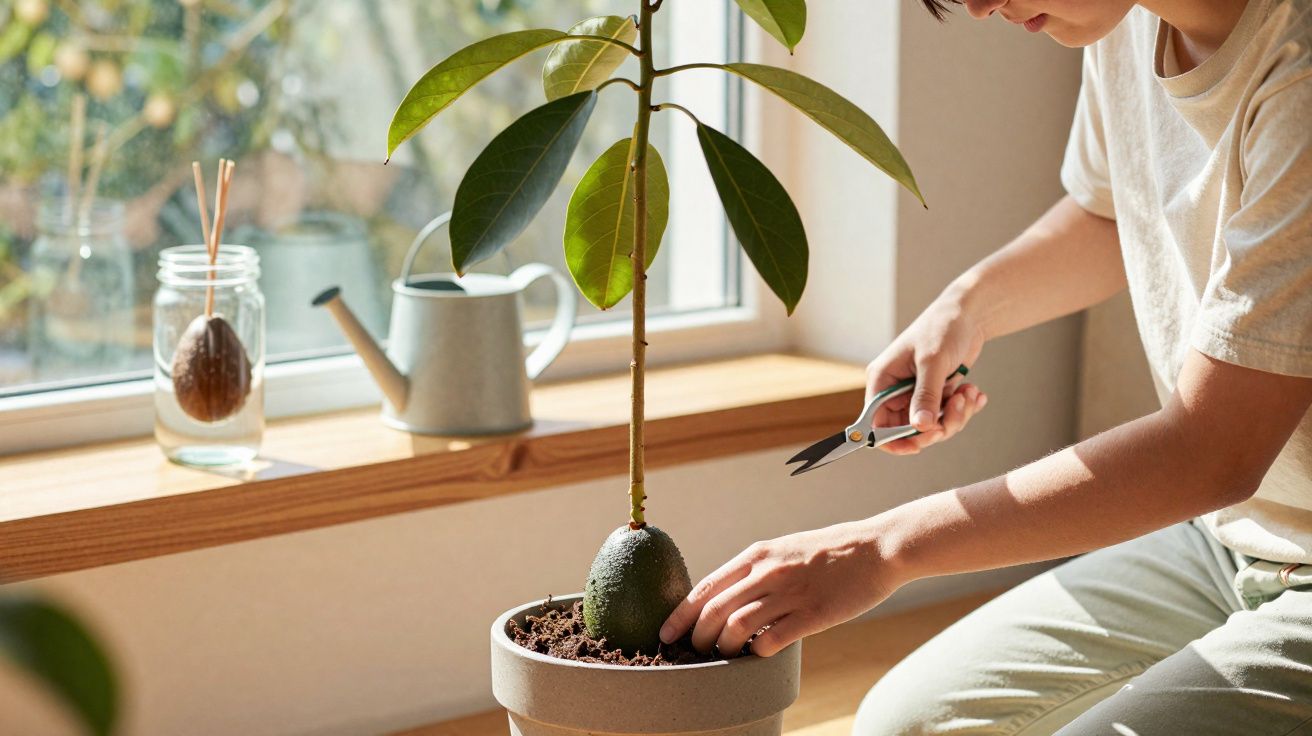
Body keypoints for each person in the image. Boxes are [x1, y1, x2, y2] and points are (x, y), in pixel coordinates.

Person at [658, 0, 1312, 731]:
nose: (973, 6)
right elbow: (1109, 211)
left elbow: (1211, 451)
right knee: (903, 725)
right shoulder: (1128, 22)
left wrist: (883, 550)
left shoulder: (1299, 70)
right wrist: (965, 309)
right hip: (1225, 537)